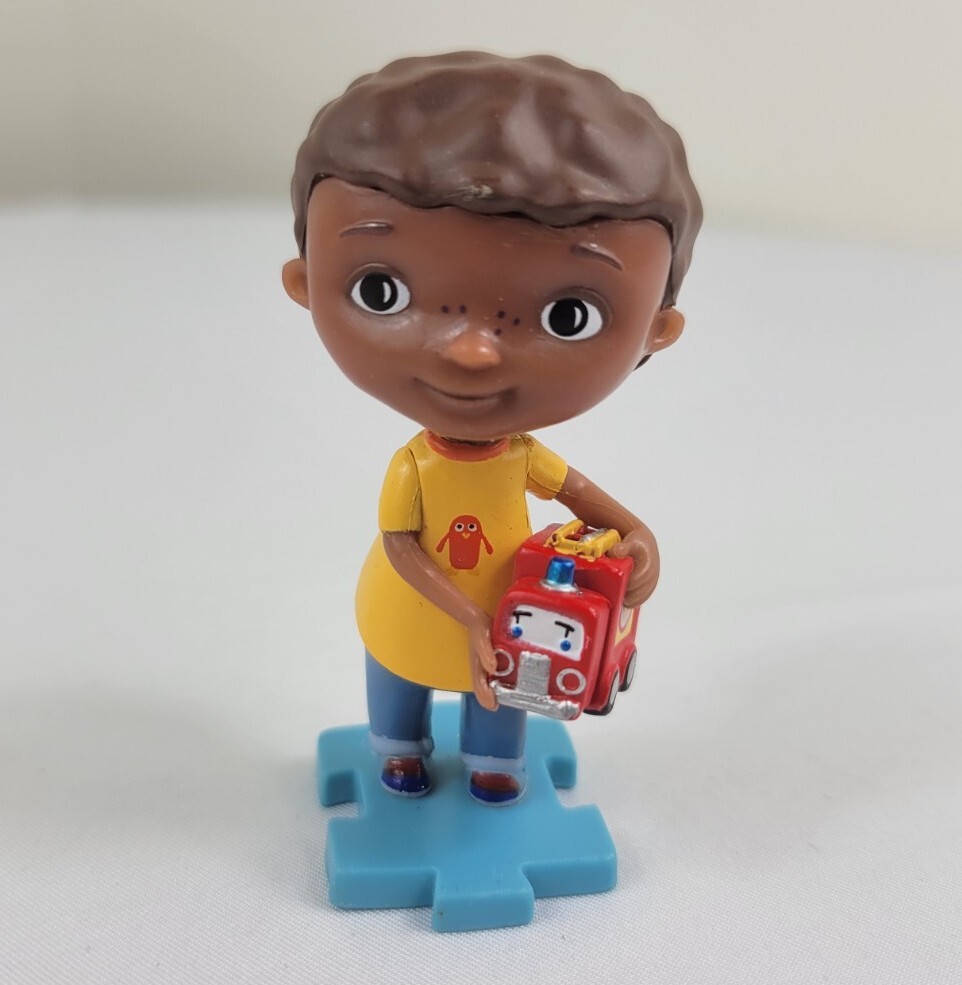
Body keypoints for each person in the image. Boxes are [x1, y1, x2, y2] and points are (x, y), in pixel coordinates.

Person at [282, 51, 702, 805]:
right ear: (304, 285)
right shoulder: (414, 468)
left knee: (511, 685)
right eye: (382, 290)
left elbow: (587, 501)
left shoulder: (524, 457)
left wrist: (638, 538)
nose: (472, 352)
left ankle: (493, 767)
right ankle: (399, 756)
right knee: (399, 679)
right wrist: (472, 616)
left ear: (657, 331)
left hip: (517, 619)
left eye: (568, 316)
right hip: (413, 613)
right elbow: (402, 548)